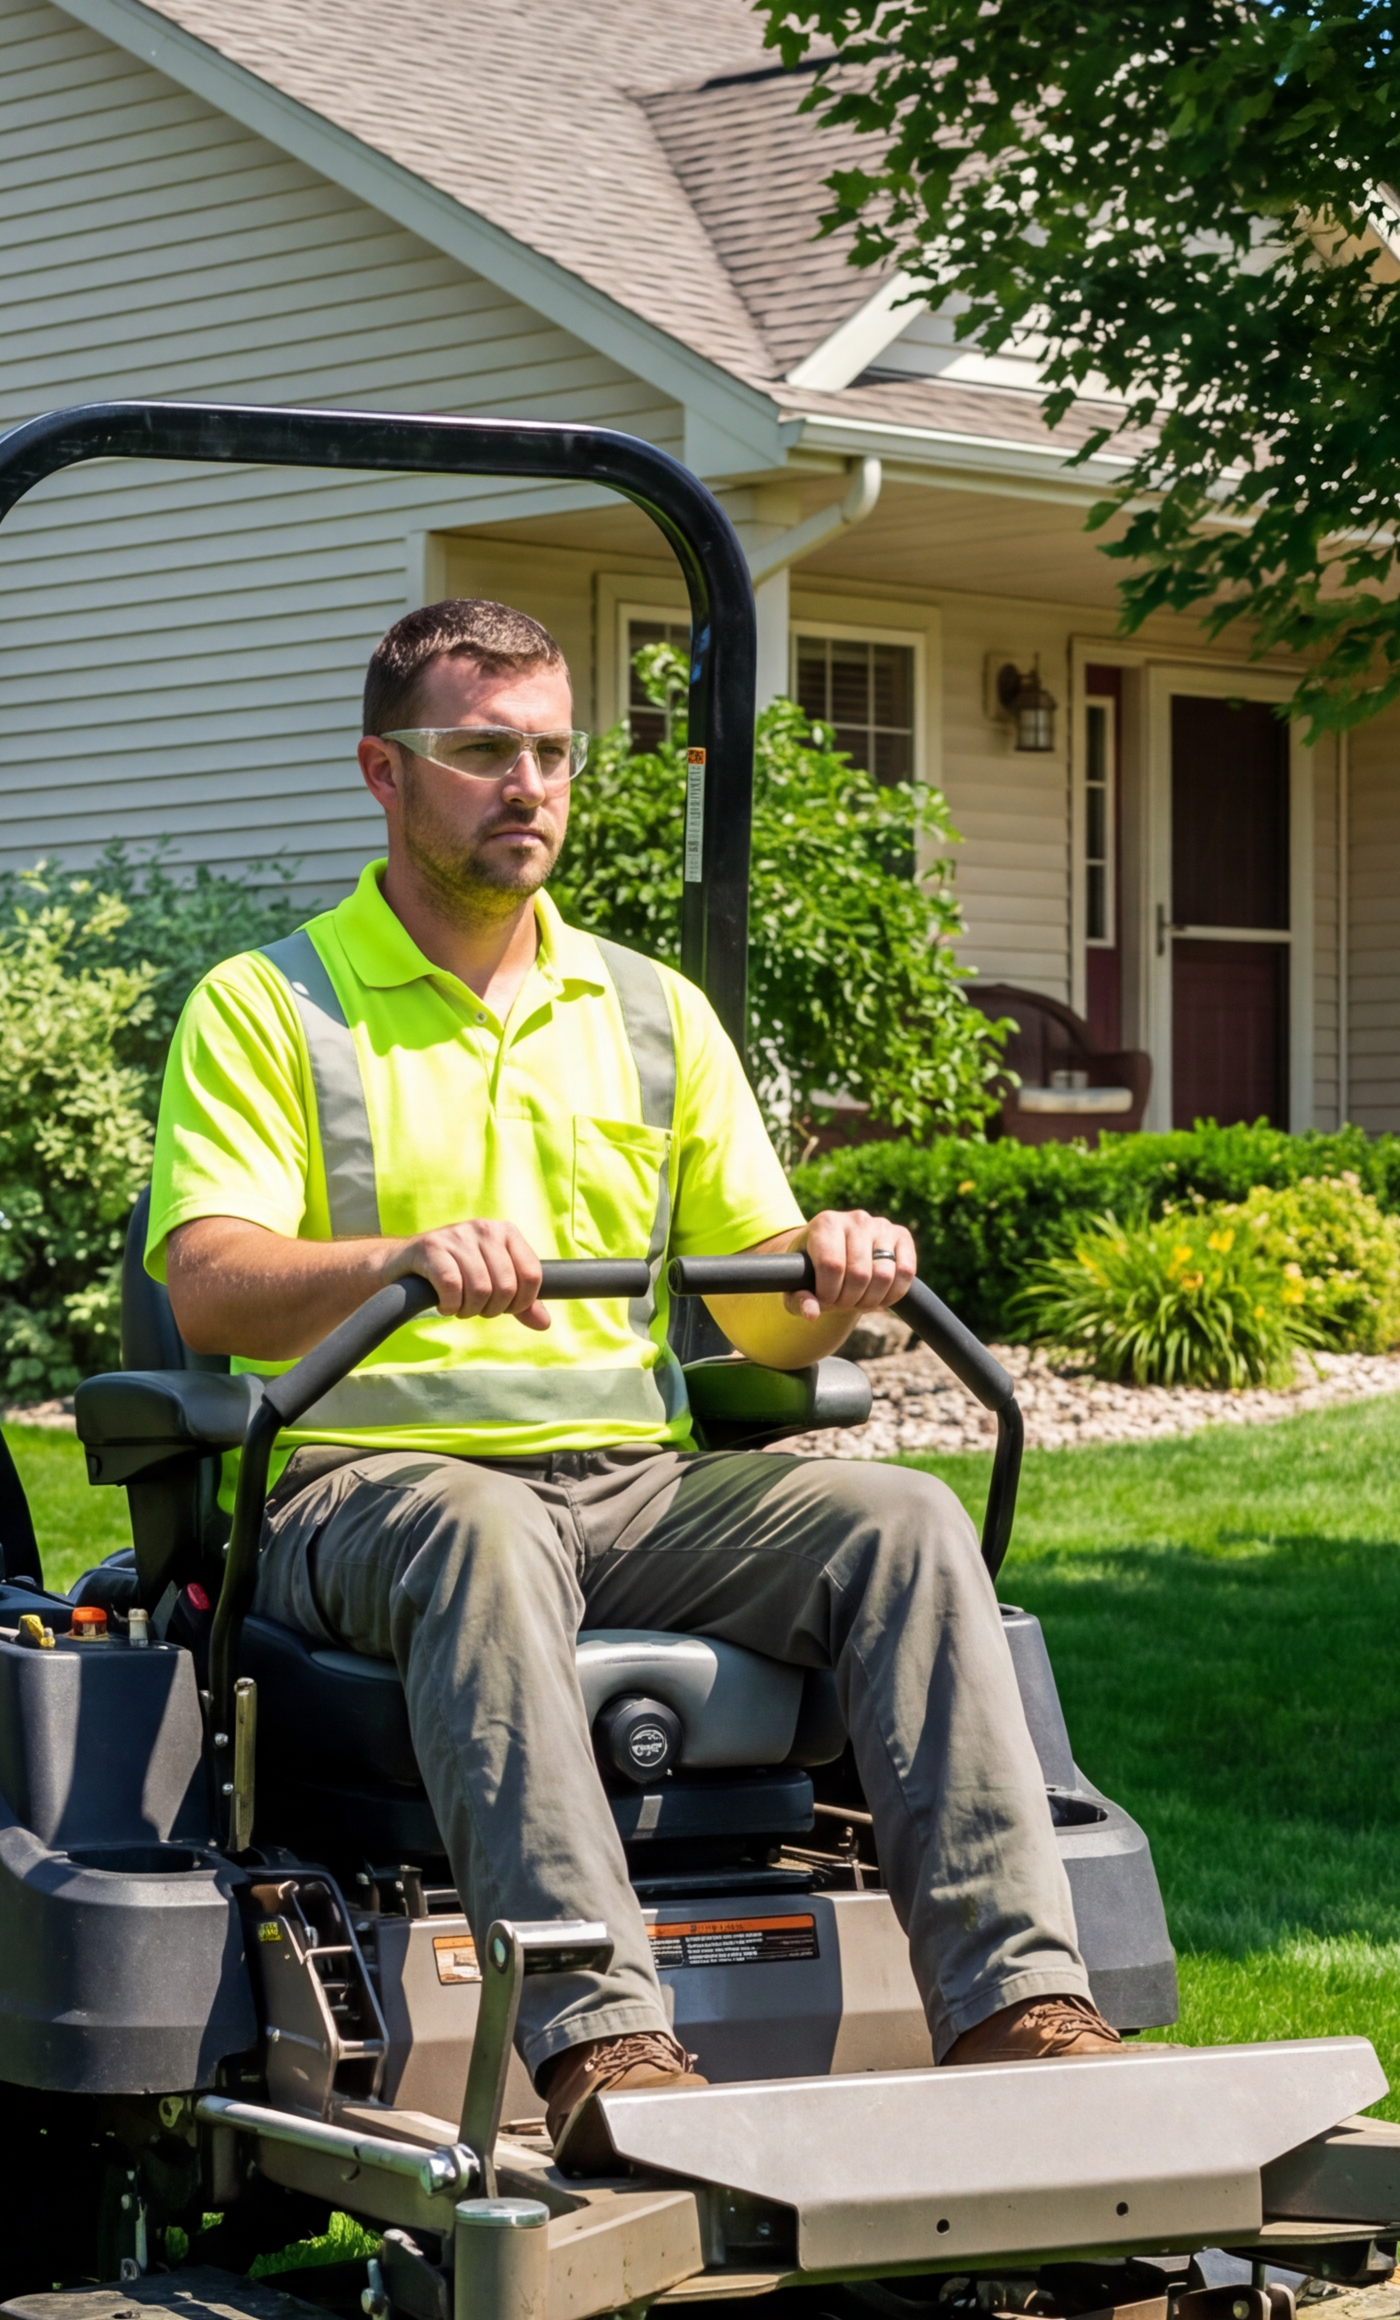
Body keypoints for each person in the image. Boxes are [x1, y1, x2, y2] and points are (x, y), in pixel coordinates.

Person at [147, 595, 1116, 2167]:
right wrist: (400, 1259)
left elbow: (755, 1323)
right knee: (483, 1532)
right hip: (365, 1493)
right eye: (480, 753)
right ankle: (604, 2048)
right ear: (383, 775)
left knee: (905, 1519)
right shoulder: (272, 1008)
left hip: (635, 1483)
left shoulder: (653, 1013)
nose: (525, 785)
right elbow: (211, 1281)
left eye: (549, 753)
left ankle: (1023, 2012)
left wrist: (835, 1278)